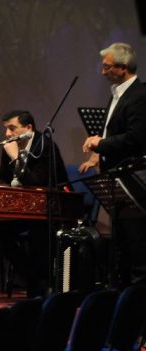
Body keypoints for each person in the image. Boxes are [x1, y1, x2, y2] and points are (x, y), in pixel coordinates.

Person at [0, 110, 69, 297]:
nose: (7, 134)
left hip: (51, 209)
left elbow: (35, 182)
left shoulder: (45, 146)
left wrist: (16, 158)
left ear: (28, 128)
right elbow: (3, 178)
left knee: (38, 234)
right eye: (6, 129)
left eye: (12, 128)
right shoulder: (11, 146)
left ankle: (40, 283)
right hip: (24, 210)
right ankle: (32, 278)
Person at [81, 42, 146, 285]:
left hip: (133, 179)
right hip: (117, 177)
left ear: (123, 67)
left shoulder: (139, 96)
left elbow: (136, 138)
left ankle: (137, 298)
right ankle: (123, 295)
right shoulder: (118, 93)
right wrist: (99, 153)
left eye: (107, 67)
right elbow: (117, 132)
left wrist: (101, 143)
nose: (103, 71)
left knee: (136, 244)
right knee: (122, 246)